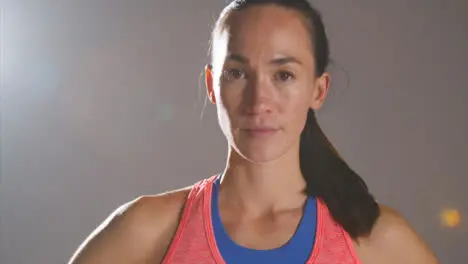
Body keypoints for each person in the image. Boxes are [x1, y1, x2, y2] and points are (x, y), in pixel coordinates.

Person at [68, 0, 439, 263]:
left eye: (284, 75)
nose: (259, 100)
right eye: (237, 73)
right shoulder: (146, 229)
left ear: (318, 90)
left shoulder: (378, 240)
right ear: (212, 86)